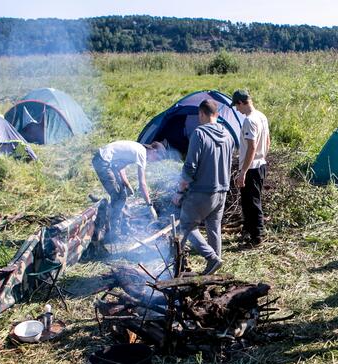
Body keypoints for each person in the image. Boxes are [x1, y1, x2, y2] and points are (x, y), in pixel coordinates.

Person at [173, 99, 235, 275]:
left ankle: (212, 258)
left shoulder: (199, 133)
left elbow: (190, 166)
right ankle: (214, 267)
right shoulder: (228, 135)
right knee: (214, 229)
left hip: (201, 191)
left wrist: (180, 190)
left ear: (201, 114)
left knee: (186, 226)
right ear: (216, 114)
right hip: (222, 191)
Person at [92, 140, 164, 239]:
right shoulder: (141, 153)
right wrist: (149, 205)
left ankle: (123, 227)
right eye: (157, 159)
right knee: (118, 197)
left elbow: (121, 168)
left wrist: (127, 185)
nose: (154, 161)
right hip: (103, 161)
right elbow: (142, 183)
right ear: (154, 151)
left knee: (122, 194)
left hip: (105, 161)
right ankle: (113, 234)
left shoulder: (138, 149)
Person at [232, 89, 270, 247]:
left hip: (252, 168)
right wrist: (263, 158)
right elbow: (267, 141)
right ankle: (248, 230)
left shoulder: (249, 120)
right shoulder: (261, 116)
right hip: (261, 164)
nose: (236, 109)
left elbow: (251, 147)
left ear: (241, 103)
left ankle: (257, 237)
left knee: (253, 203)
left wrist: (243, 172)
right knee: (248, 202)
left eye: (236, 106)